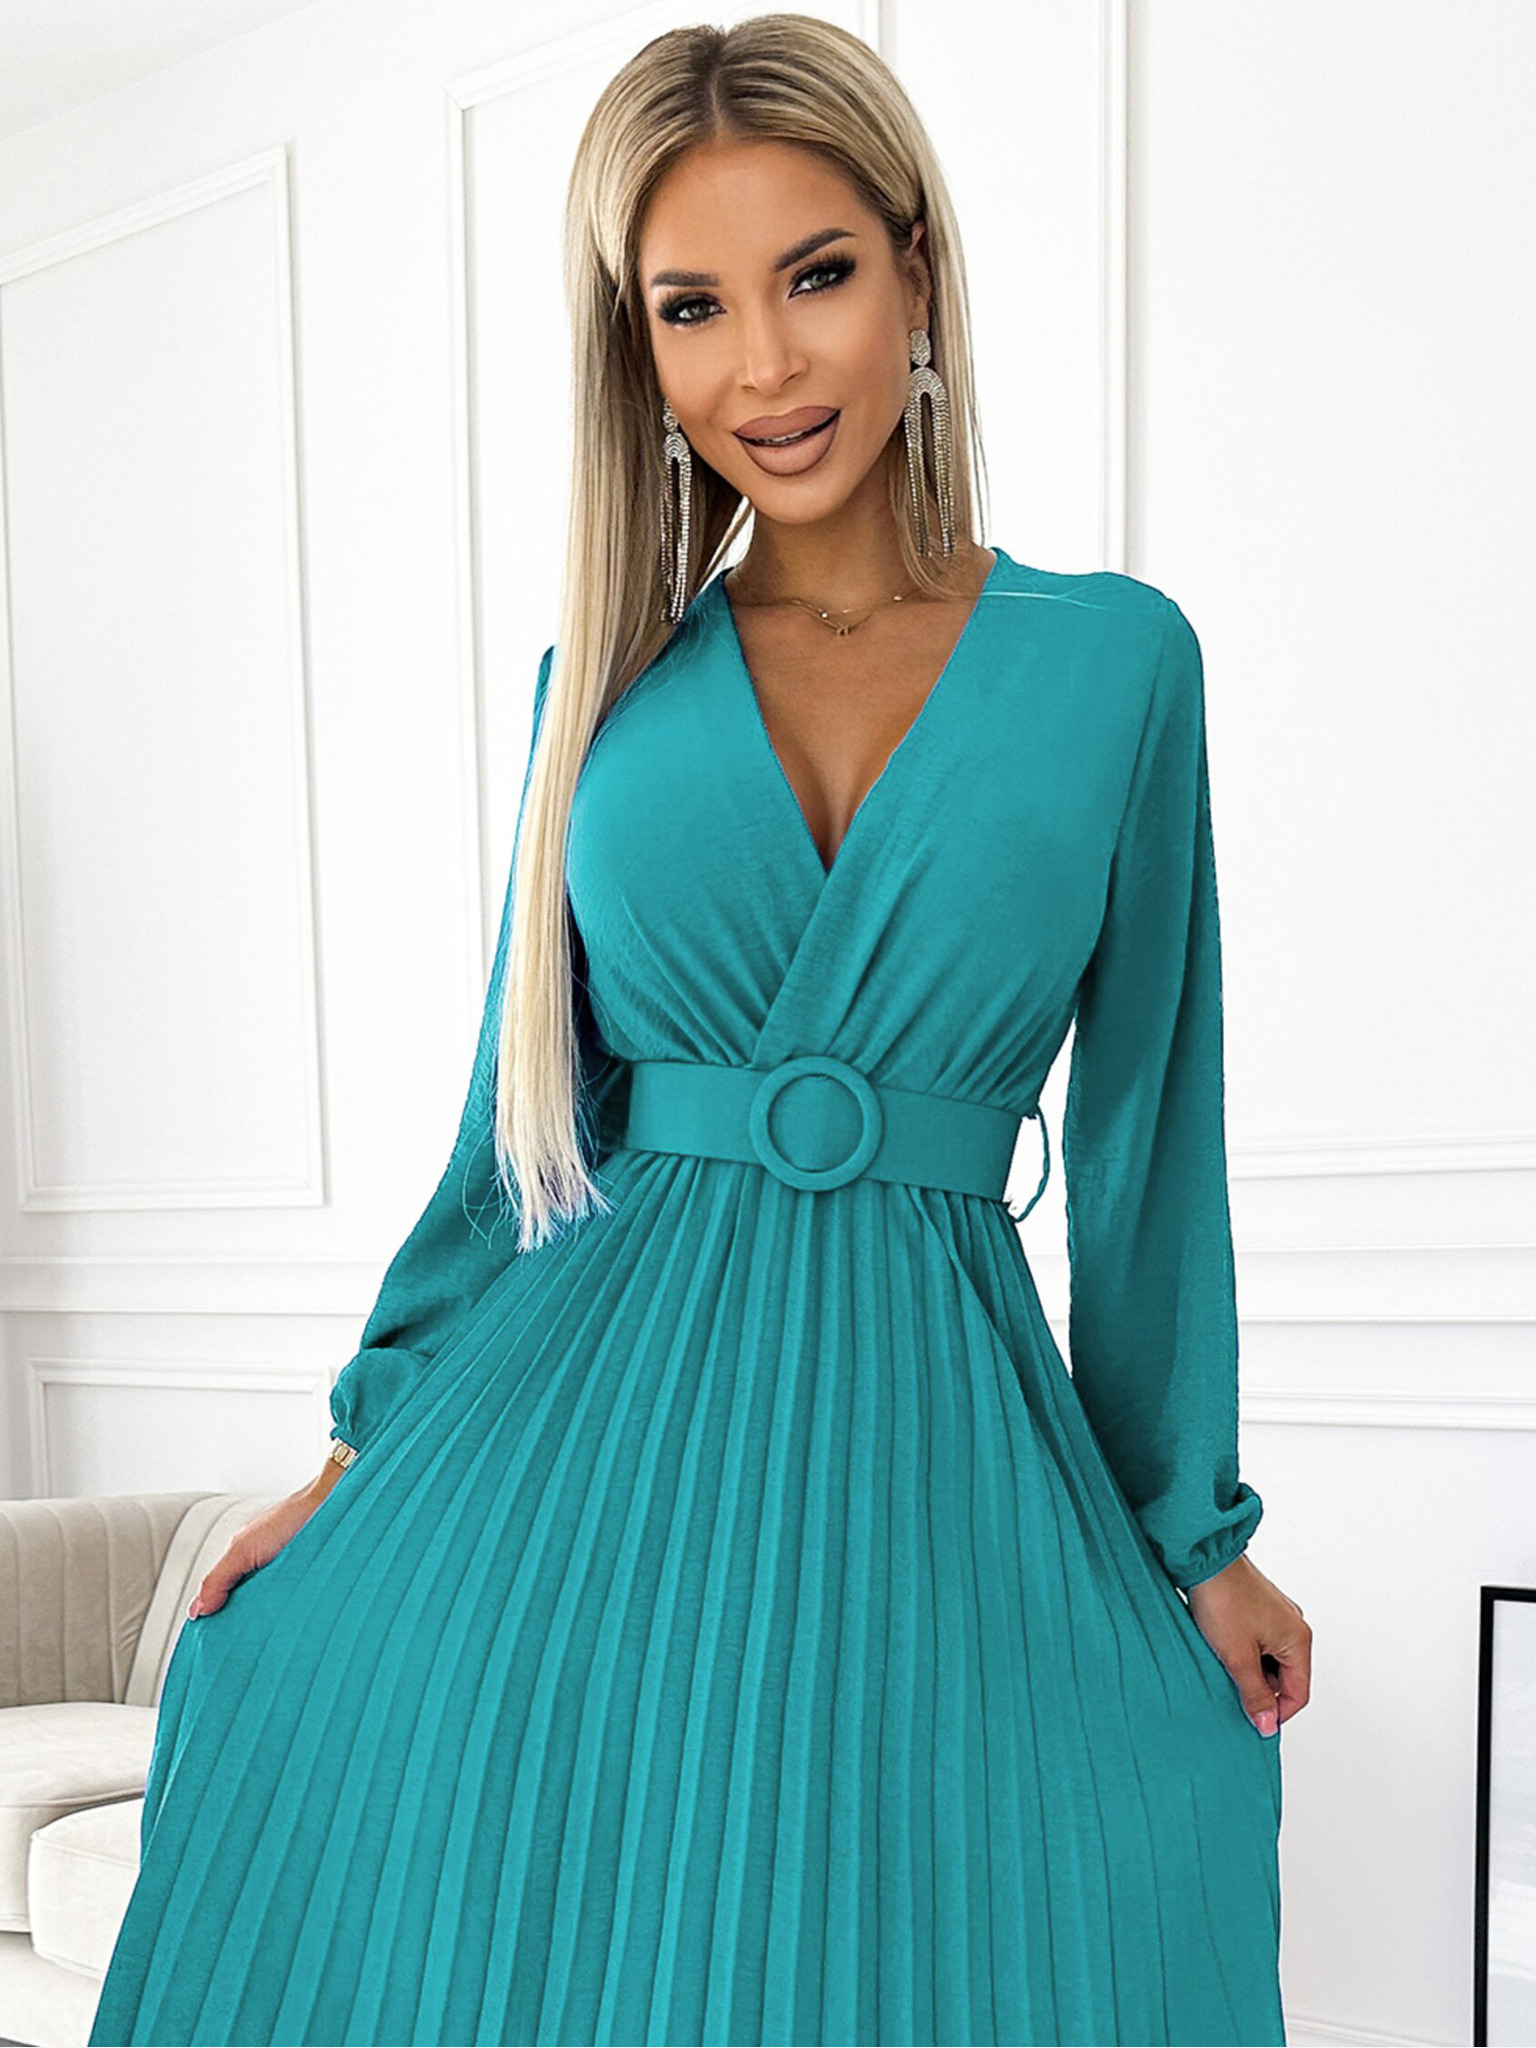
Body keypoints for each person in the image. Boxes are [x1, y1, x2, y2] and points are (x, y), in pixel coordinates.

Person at [89, 14, 1312, 2046]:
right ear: (638, 353)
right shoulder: (601, 681)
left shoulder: (1118, 663)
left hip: (935, 1414)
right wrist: (354, 1461)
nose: (765, 366)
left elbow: (1147, 1146)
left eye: (814, 275)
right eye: (692, 308)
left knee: (1012, 1898)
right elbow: (515, 1136)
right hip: (598, 1402)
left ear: (916, 269)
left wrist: (1200, 1535)